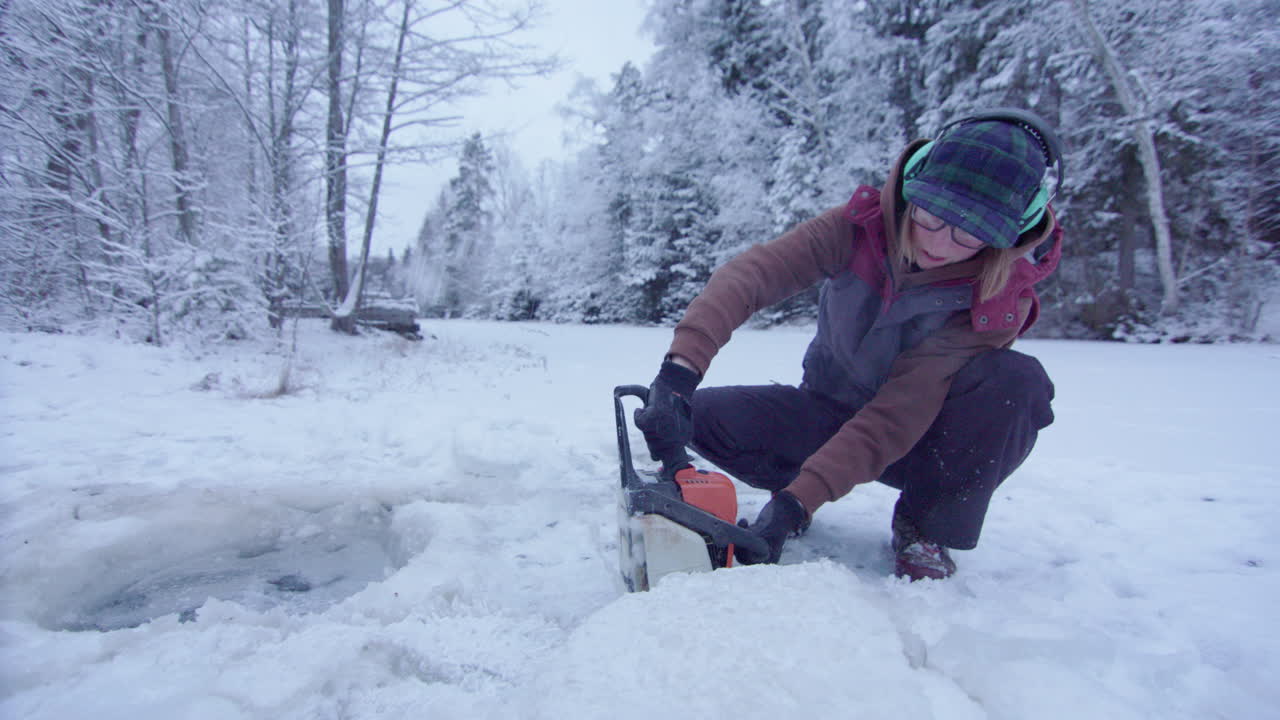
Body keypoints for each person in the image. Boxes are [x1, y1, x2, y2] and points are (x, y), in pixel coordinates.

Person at [634, 109, 1063, 581]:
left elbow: (895, 415)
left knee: (1015, 382)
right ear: (913, 189)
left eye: (970, 232)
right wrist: (679, 373)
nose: (941, 243)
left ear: (1004, 237)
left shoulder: (996, 302)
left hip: (920, 446)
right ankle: (797, 484)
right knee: (700, 416)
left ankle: (924, 525)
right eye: (932, 216)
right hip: (826, 411)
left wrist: (796, 504)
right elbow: (752, 276)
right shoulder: (859, 227)